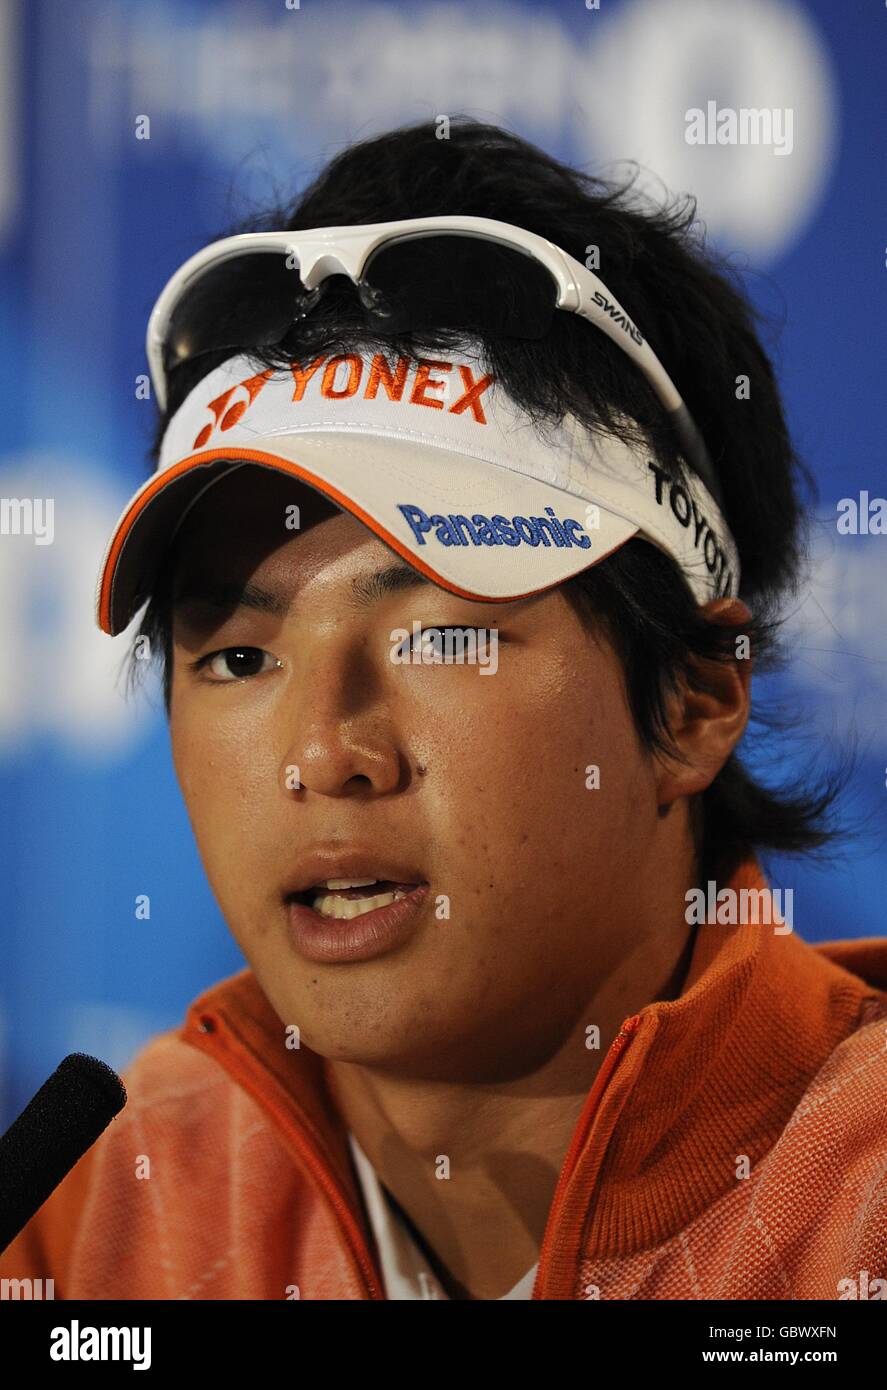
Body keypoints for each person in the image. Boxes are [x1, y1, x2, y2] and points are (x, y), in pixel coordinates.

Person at [3, 119, 885, 1301]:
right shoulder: (107, 1208)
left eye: (440, 634)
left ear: (690, 700)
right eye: (238, 656)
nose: (324, 753)